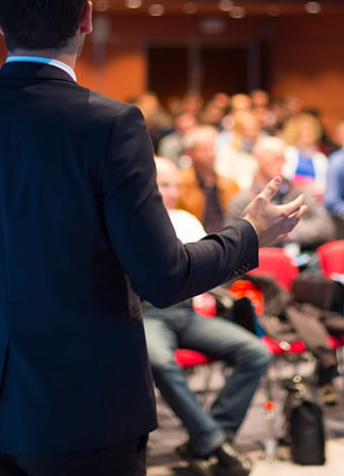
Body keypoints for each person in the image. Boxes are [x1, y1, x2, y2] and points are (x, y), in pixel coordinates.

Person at [0, 0, 305, 476]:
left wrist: (5, 297)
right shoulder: (109, 125)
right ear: (86, 16)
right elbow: (162, 277)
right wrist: (248, 233)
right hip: (87, 411)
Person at [145, 158, 270, 476]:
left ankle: (209, 438)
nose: (168, 191)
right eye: (160, 183)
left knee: (256, 352)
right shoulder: (135, 224)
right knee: (159, 361)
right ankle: (215, 444)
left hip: (187, 312)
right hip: (150, 315)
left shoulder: (186, 219)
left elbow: (211, 271)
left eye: (172, 184)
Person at [227, 137, 335, 253]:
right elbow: (233, 240)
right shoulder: (242, 200)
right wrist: (288, 227)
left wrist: (287, 231)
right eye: (276, 158)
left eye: (284, 159)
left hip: (302, 261)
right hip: (261, 265)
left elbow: (326, 227)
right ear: (258, 158)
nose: (282, 164)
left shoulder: (300, 193)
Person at [177, 125, 241, 233]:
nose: (212, 154)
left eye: (213, 148)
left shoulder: (230, 184)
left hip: (226, 239)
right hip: (196, 241)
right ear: (191, 154)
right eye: (205, 149)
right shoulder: (180, 183)